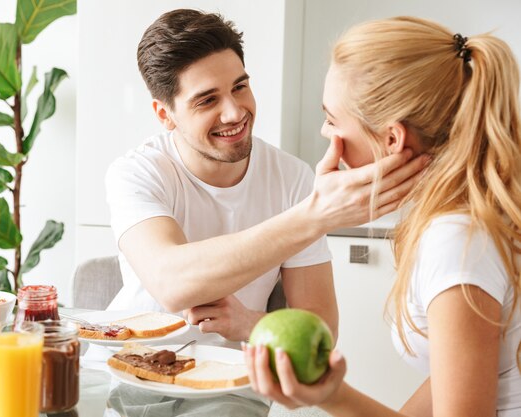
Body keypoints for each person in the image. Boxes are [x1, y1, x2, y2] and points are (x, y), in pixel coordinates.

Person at [244, 16, 521, 416]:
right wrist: (329, 396)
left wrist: (331, 396)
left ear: (392, 139)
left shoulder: (456, 241)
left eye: (333, 118)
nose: (325, 131)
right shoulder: (468, 219)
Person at [105, 10, 428, 342]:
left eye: (240, 87)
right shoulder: (136, 173)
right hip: (126, 369)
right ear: (165, 114)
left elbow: (322, 332)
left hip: (230, 386)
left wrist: (250, 324)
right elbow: (171, 284)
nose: (234, 112)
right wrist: (315, 216)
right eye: (207, 100)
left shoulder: (291, 179)